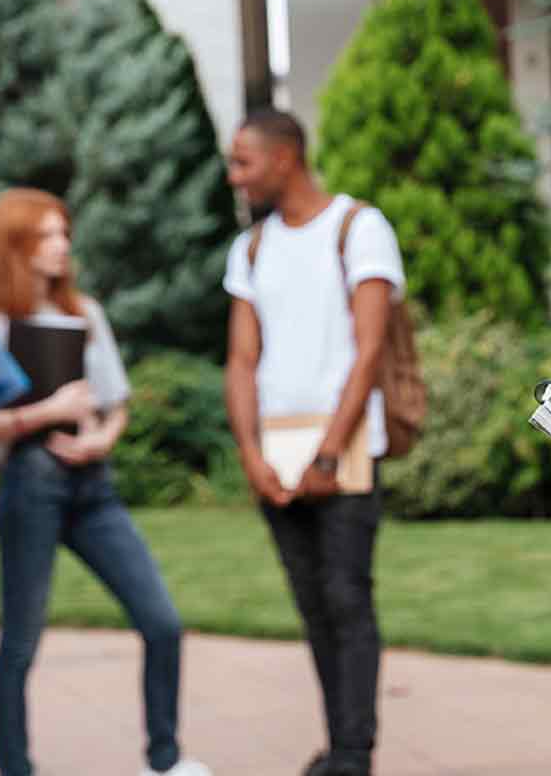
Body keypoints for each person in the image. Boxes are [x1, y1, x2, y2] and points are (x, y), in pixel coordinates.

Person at [0, 188, 210, 776]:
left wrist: (103, 436)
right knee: (20, 643)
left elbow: (114, 404)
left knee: (162, 622)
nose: (61, 245)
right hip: (29, 484)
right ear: (13, 246)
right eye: (46, 235)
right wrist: (43, 413)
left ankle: (165, 760)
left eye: (63, 232)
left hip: (94, 486)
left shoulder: (84, 312)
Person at [222, 109, 404, 776]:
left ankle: (353, 755)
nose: (234, 177)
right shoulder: (249, 249)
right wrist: (249, 455)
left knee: (347, 598)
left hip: (346, 453)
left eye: (243, 162)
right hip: (276, 457)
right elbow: (241, 361)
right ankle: (338, 746)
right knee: (311, 604)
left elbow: (370, 349)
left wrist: (328, 453)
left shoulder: (359, 228)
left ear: (284, 159)